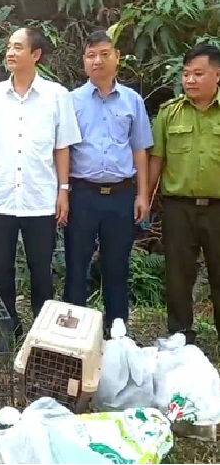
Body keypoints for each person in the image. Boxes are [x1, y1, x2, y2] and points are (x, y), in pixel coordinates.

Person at [0, 27, 82, 339]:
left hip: (40, 198)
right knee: (0, 269)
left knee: (41, 269)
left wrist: (63, 191)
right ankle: (7, 326)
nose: (10, 53)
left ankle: (43, 331)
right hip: (1, 197)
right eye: (9, 46)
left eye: (18, 47)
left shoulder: (57, 96)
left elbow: (62, 146)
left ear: (35, 55)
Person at [65, 30, 152, 332]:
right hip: (83, 194)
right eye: (91, 55)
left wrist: (142, 195)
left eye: (104, 54)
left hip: (121, 195)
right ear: (84, 62)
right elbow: (62, 151)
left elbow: (139, 149)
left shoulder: (133, 101)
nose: (97, 60)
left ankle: (117, 333)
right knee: (76, 266)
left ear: (117, 58)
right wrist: (63, 193)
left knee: (117, 266)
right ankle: (74, 335)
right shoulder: (71, 101)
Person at [148, 43, 220, 344]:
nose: (189, 80)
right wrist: (145, 199)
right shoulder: (169, 114)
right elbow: (156, 161)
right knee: (178, 278)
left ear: (217, 75)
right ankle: (180, 340)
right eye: (186, 74)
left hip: (218, 209)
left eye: (198, 74)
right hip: (179, 208)